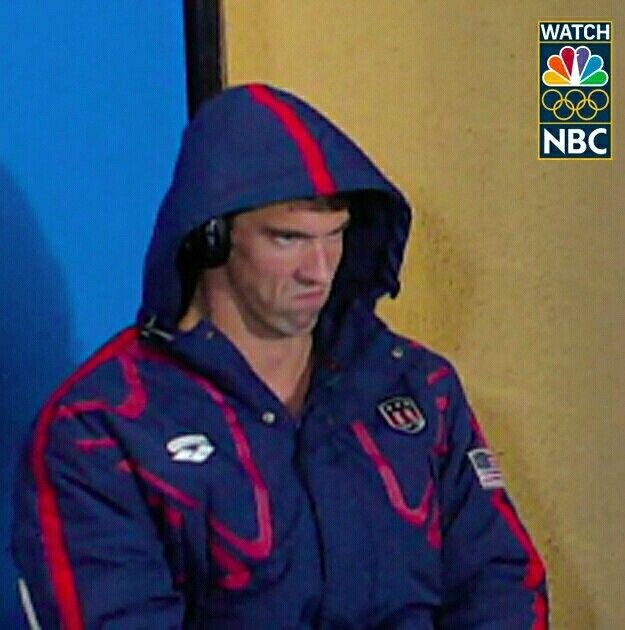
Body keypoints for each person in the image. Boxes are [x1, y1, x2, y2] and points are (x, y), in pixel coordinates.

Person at [12, 84, 548, 629]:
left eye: (335, 236)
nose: (319, 270)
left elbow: (502, 583)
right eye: (288, 239)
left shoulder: (418, 387)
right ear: (211, 238)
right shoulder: (101, 428)